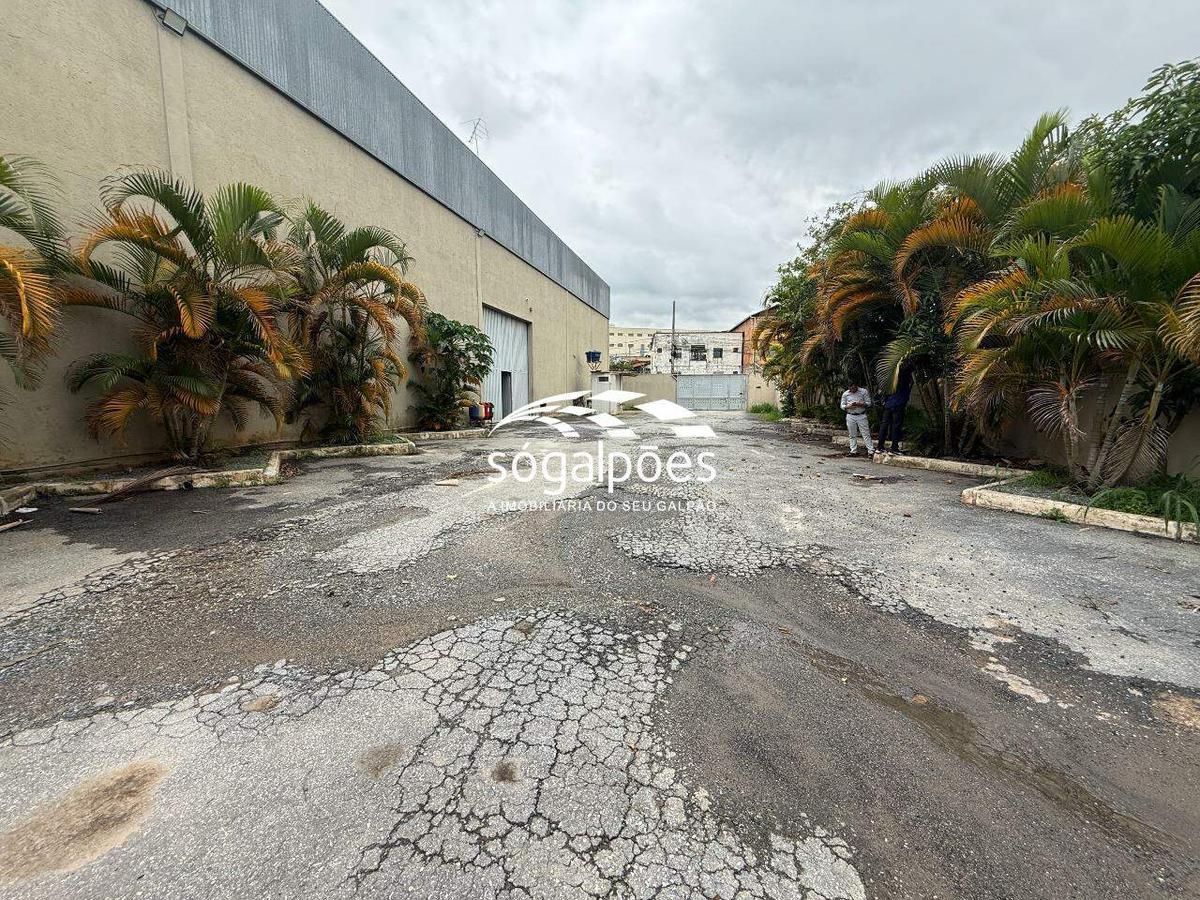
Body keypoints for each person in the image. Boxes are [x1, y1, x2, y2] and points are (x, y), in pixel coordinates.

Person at [878, 363, 913, 454]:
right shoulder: (904, 377)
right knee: (896, 426)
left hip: (888, 403)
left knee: (884, 425)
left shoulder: (891, 377)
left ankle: (880, 447)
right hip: (898, 403)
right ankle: (894, 448)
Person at [839, 382, 874, 456]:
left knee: (866, 433)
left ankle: (871, 451)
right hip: (850, 415)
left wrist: (861, 404)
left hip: (861, 415)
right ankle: (853, 451)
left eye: (854, 388)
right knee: (852, 434)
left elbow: (869, 403)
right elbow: (842, 405)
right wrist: (848, 406)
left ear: (856, 386)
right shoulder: (846, 394)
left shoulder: (863, 391)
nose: (852, 390)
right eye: (850, 388)